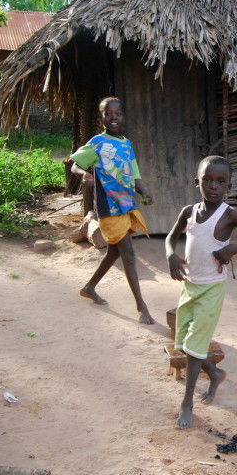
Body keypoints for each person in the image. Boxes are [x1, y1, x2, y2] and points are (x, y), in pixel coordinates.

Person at [165, 156, 237, 429]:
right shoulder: (189, 212)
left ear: (228, 185)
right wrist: (170, 255)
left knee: (193, 345)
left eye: (220, 182)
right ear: (196, 181)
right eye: (208, 180)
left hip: (212, 289)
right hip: (190, 286)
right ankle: (215, 372)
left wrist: (235, 248)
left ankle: (187, 402)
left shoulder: (229, 214)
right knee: (188, 344)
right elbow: (171, 237)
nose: (213, 186)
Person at [69, 97, 156, 324]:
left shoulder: (127, 145)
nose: (114, 117)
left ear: (123, 117)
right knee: (128, 255)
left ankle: (89, 287)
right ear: (103, 118)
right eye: (109, 114)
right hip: (109, 206)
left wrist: (144, 192)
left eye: (118, 114)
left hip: (126, 204)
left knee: (114, 252)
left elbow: (133, 175)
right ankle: (142, 307)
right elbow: (76, 163)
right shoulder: (97, 143)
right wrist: (83, 175)